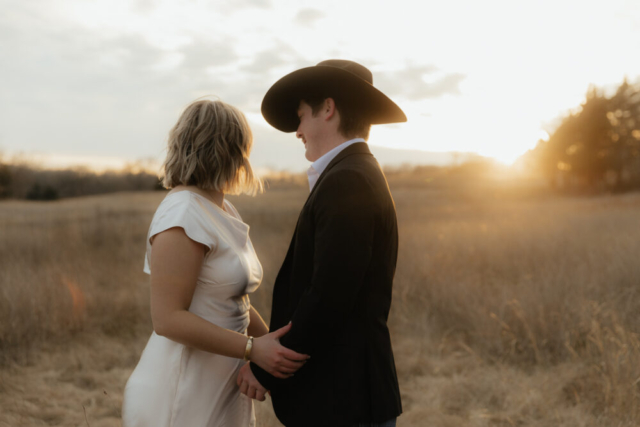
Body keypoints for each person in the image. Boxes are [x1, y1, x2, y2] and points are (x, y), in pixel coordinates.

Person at [236, 60, 407, 427]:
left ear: (327, 109)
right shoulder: (354, 172)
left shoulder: (349, 180)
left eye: (300, 117)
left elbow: (330, 294)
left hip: (343, 400)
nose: (297, 131)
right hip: (344, 395)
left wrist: (266, 369)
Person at [121, 99, 309, 427]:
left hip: (223, 385)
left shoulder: (223, 210)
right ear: (227, 149)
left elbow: (233, 299)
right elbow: (167, 319)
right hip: (184, 391)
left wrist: (273, 347)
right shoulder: (182, 213)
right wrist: (253, 349)